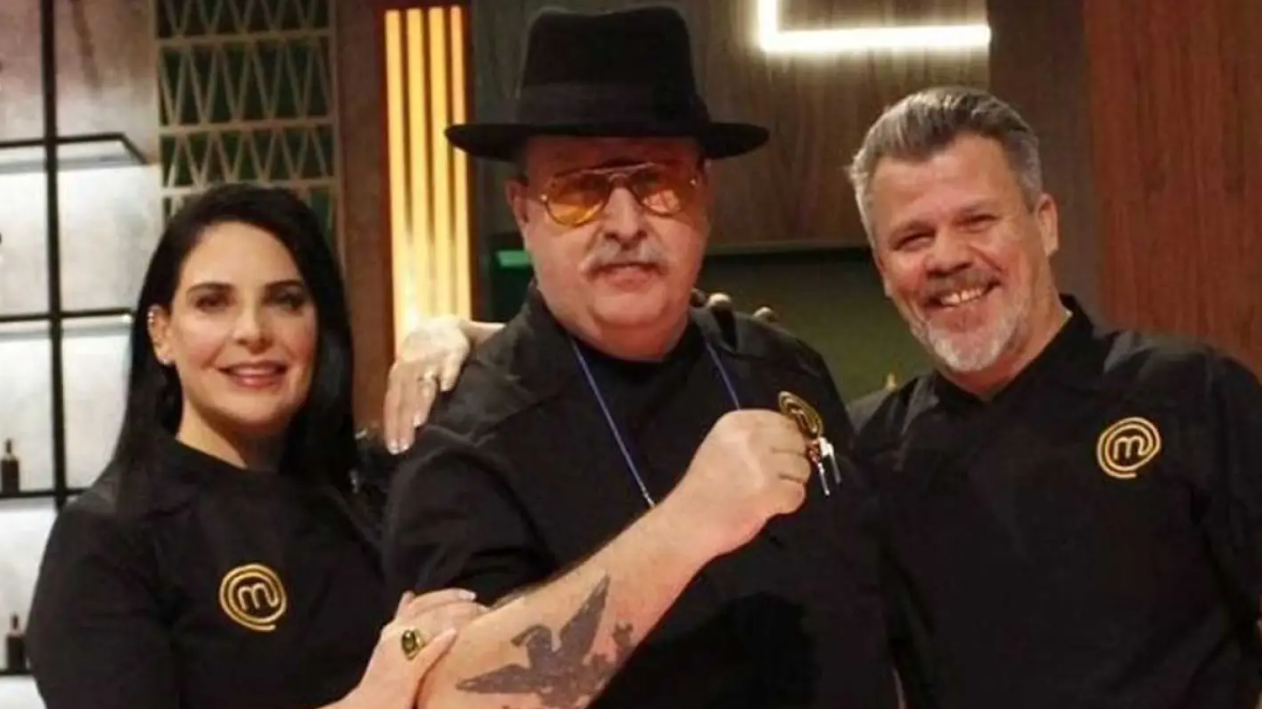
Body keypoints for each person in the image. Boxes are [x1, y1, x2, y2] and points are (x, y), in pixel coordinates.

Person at [381, 6, 898, 709]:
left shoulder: (783, 367)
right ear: (524, 211)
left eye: (657, 182)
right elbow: (448, 694)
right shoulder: (467, 437)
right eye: (579, 190)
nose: (625, 223)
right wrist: (686, 524)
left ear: (704, 195)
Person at [846, 86, 1262, 708]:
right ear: (883, 270)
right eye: (912, 238)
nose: (947, 257)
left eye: (977, 221)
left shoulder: (1191, 393)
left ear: (1045, 224)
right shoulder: (867, 452)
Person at [25, 184, 485, 709]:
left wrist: (462, 334)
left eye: (285, 301)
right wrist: (374, 698)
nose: (252, 331)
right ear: (162, 333)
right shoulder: (108, 537)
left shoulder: (372, 491)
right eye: (212, 303)